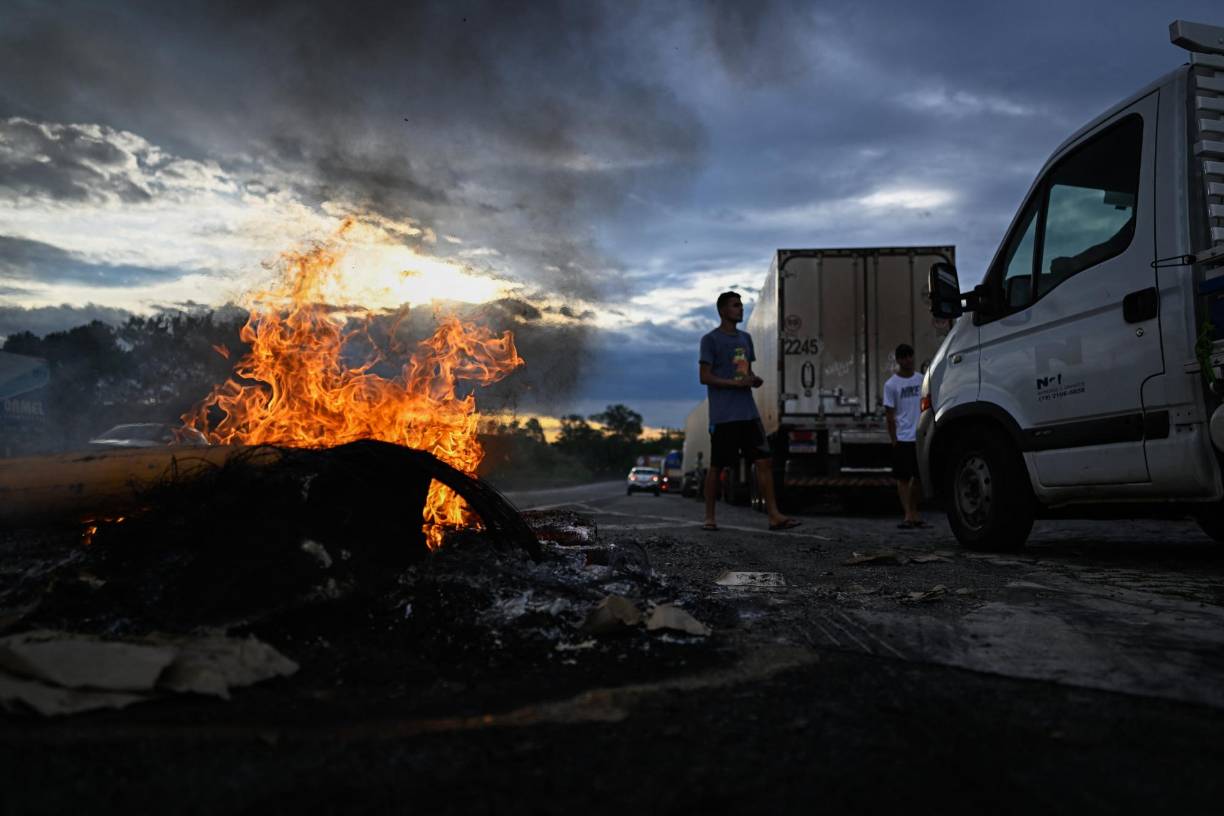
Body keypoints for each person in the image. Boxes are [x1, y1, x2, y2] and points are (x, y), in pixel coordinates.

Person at [698, 291, 799, 532]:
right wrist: (736, 384)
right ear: (723, 310)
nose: (740, 309)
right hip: (724, 415)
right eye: (735, 305)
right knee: (717, 466)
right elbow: (704, 377)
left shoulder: (745, 339)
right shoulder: (710, 340)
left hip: (748, 413)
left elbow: (744, 372)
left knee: (764, 461)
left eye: (741, 305)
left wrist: (753, 380)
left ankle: (774, 515)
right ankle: (709, 518)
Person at [883, 343, 926, 529]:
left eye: (910, 356)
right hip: (903, 437)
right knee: (902, 478)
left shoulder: (921, 379)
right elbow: (889, 416)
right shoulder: (891, 385)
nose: (908, 360)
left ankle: (914, 511)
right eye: (904, 357)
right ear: (898, 360)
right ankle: (908, 514)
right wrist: (894, 439)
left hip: (919, 436)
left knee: (918, 477)